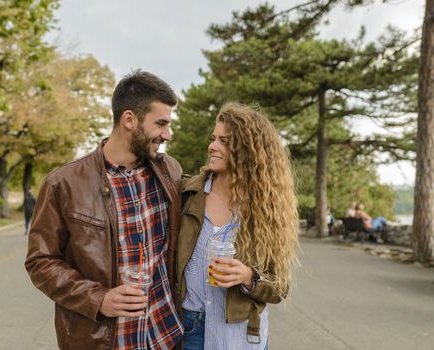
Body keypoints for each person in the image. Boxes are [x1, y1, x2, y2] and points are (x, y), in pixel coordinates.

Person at [25, 70, 184, 350]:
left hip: (165, 336)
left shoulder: (170, 170)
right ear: (129, 119)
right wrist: (97, 298)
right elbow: (41, 262)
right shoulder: (63, 183)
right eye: (160, 124)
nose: (166, 135)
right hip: (104, 341)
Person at [176, 103, 299, 350]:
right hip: (191, 329)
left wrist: (248, 277)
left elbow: (280, 288)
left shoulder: (267, 210)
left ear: (247, 150)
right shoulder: (188, 193)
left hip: (243, 335)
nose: (212, 146)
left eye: (224, 141)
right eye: (213, 139)